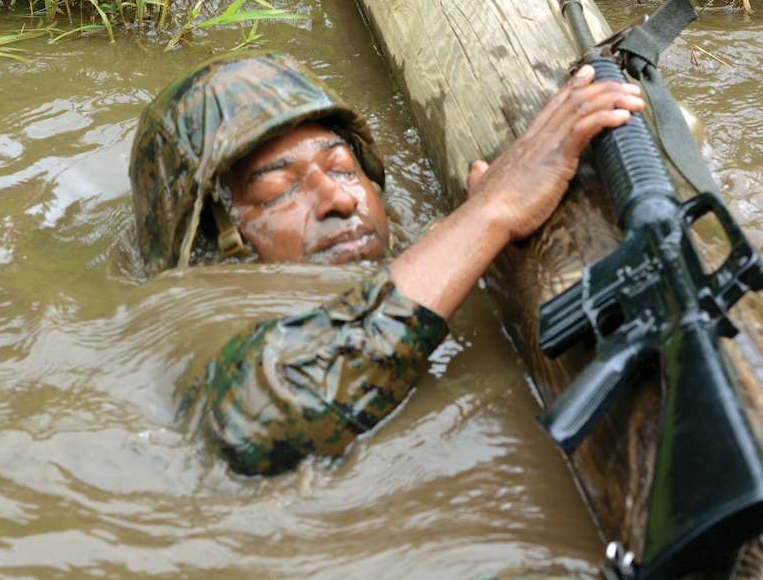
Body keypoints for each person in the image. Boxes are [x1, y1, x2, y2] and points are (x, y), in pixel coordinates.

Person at [129, 51, 643, 476]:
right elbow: (262, 417)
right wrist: (491, 212)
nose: (339, 199)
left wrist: (494, 257)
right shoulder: (194, 336)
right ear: (207, 246)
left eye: (343, 169)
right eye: (278, 189)